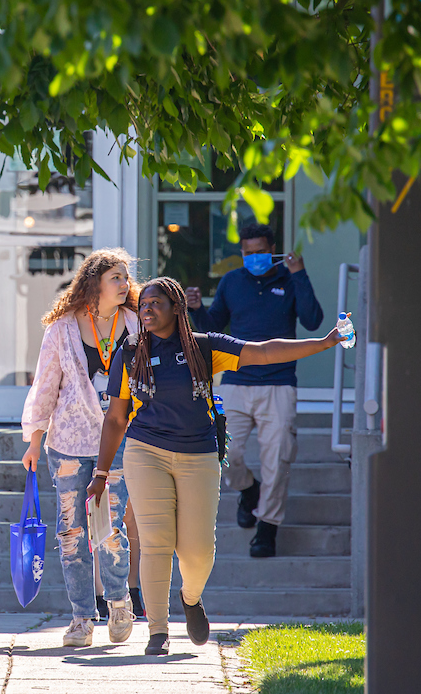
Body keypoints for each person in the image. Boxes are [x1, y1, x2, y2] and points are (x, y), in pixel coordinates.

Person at [90, 277, 344, 656]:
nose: (147, 309)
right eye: (143, 304)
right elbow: (115, 418)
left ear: (177, 308)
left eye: (156, 303)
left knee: (197, 551)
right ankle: (157, 630)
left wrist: (323, 343)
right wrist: (100, 473)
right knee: (157, 542)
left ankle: (190, 599)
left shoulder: (206, 348)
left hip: (199, 456)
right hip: (146, 452)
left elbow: (263, 351)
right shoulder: (130, 352)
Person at [21, 248, 140, 648]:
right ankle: (80, 618)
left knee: (110, 529)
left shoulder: (138, 325)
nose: (124, 284)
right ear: (95, 284)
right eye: (116, 278)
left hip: (119, 442)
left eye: (126, 277)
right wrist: (35, 438)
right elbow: (45, 385)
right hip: (69, 444)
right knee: (71, 530)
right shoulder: (62, 329)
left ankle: (119, 603)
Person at [185, 223, 324, 557]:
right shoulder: (232, 281)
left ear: (273, 249)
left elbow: (314, 321)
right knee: (224, 452)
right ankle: (249, 490)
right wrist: (195, 310)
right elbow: (213, 327)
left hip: (278, 384)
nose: (254, 257)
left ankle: (267, 528)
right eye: (247, 252)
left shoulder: (290, 279)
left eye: (260, 251)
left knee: (277, 458)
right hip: (235, 383)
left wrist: (300, 274)